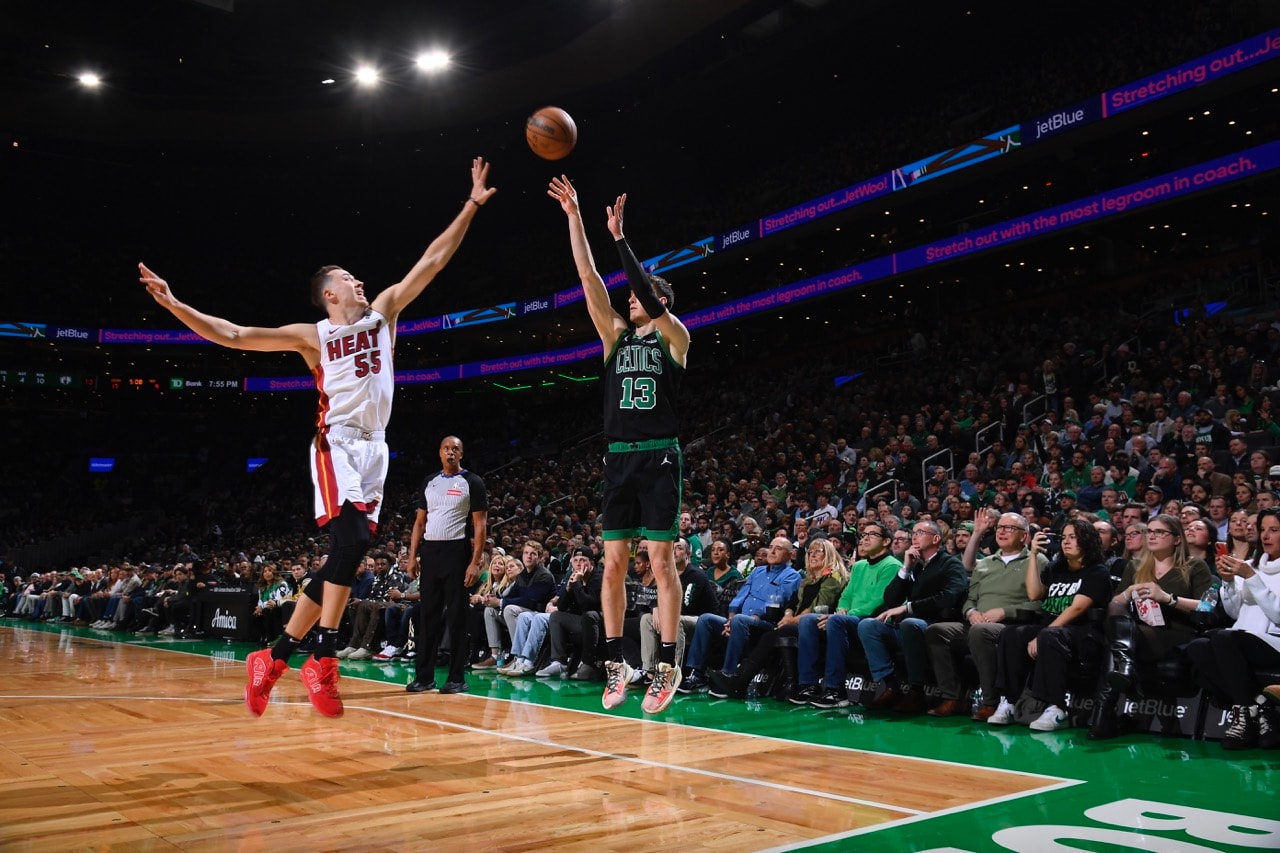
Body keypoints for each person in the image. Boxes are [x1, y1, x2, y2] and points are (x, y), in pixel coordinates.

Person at [138, 157, 495, 718]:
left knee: (348, 556)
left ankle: (274, 657)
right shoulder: (314, 335)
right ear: (329, 294)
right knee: (349, 544)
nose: (360, 281)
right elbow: (234, 335)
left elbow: (432, 260)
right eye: (348, 278)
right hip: (338, 443)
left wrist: (470, 204)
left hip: (376, 447)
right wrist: (173, 303)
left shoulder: (383, 314)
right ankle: (322, 657)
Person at [548, 177, 690, 714]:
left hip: (659, 455)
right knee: (611, 564)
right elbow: (588, 277)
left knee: (660, 560)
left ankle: (667, 664)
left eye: (639, 295)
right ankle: (616, 662)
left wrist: (621, 239)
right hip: (619, 458)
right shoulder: (614, 337)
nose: (629, 299)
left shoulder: (675, 337)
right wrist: (575, 218)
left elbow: (645, 293)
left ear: (660, 302)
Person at [1088, 515, 1214, 739]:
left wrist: (1168, 598)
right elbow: (1115, 605)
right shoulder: (1136, 566)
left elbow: (1208, 606)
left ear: (1177, 539)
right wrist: (1128, 593)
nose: (1152, 536)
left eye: (1160, 532)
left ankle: (1104, 712)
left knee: (1116, 643)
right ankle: (1123, 670)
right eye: (1149, 532)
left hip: (1176, 633)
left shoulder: (1194, 565)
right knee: (1118, 621)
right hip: (1136, 631)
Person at [989, 519, 1113, 731]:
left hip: (1083, 633)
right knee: (1011, 633)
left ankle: (1057, 708)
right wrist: (1033, 555)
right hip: (1052, 629)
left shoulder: (1097, 571)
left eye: (1073, 537)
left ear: (1088, 541)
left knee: (1049, 636)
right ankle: (1009, 701)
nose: (1066, 542)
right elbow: (1034, 594)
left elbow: (1077, 609)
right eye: (1064, 537)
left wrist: (1044, 633)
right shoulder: (1057, 568)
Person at [924, 512, 1046, 720]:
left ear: (1024, 536)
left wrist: (1004, 612)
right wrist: (971, 612)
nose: (1002, 531)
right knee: (936, 631)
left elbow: (1040, 602)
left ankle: (991, 701)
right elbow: (970, 598)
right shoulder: (985, 563)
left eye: (1009, 528)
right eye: (999, 527)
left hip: (1012, 626)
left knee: (980, 632)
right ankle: (953, 697)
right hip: (977, 622)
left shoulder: (1037, 560)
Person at [1186, 507, 1280, 749]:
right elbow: (1234, 611)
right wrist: (1228, 583)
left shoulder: (1249, 571)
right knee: (1197, 647)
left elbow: (1277, 614)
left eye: (1274, 530)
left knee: (1224, 638)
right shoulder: (1249, 565)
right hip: (1242, 638)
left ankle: (1243, 716)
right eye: (1262, 529)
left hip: (1274, 641)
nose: (1265, 535)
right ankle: (1258, 707)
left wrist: (1251, 578)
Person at [857, 520, 968, 713]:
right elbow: (891, 599)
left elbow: (949, 597)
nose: (914, 537)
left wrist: (908, 608)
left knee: (910, 623)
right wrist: (906, 568)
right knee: (868, 625)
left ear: (936, 539)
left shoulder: (950, 564)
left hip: (936, 625)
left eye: (920, 532)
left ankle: (916, 690)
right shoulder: (915, 566)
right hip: (909, 627)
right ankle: (890, 685)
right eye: (913, 533)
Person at [406, 436, 488, 694]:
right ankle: (424, 678)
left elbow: (480, 525)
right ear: (439, 453)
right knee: (427, 615)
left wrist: (474, 562)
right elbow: (420, 523)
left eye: (455, 449)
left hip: (457, 552)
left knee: (456, 617)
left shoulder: (472, 482)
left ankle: (456, 678)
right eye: (446, 448)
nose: (450, 452)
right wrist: (412, 556)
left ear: (461, 454)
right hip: (430, 552)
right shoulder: (429, 481)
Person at [792, 521, 902, 708]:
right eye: (864, 535)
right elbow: (846, 596)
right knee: (808, 620)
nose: (865, 538)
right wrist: (842, 609)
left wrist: (845, 614)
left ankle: (835, 690)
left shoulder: (892, 565)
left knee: (835, 621)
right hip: (850, 617)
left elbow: (879, 600)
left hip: (873, 619)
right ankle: (808, 685)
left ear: (886, 541)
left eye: (872, 535)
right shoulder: (859, 566)